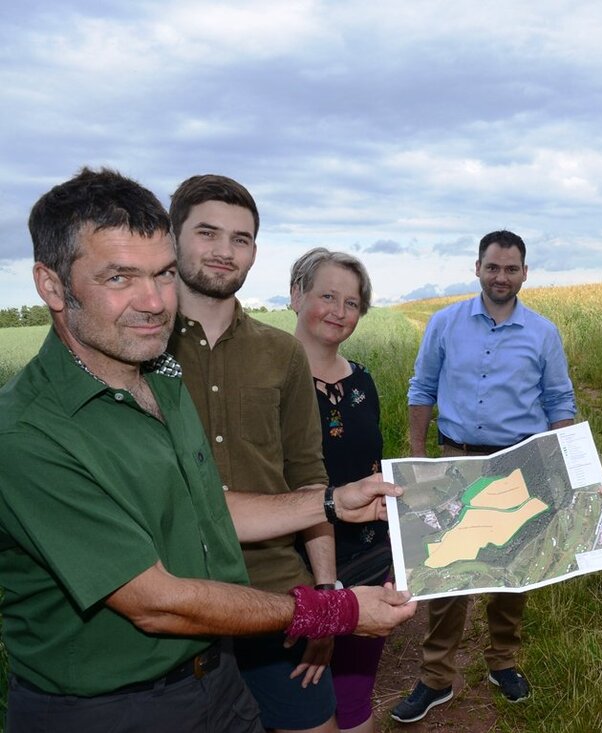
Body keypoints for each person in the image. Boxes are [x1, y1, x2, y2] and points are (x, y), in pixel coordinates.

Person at [0, 167, 416, 733]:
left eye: (163, 274)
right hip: (109, 707)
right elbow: (156, 601)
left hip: (209, 678)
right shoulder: (28, 434)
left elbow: (207, 507)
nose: (153, 301)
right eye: (120, 277)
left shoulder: (158, 381)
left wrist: (331, 503)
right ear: (51, 285)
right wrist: (335, 609)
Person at [167, 174, 340, 733]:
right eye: (207, 233)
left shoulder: (282, 352)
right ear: (173, 239)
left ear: (255, 253)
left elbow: (309, 478)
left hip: (277, 594)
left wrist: (327, 596)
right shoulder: (140, 347)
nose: (224, 251)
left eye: (240, 239)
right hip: (174, 599)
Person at [391, 229, 577, 724]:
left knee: (514, 570)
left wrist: (567, 465)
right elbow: (422, 386)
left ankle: (503, 662)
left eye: (511, 268)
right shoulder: (445, 323)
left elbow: (560, 401)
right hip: (457, 458)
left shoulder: (543, 333)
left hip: (521, 462)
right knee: (449, 572)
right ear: (477, 268)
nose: (501, 276)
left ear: (524, 273)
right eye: (493, 267)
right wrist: (418, 457)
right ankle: (434, 678)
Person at [290, 247, 391, 733]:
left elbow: (375, 466)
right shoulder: (268, 384)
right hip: (293, 572)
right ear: (296, 295)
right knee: (299, 706)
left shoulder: (364, 381)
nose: (339, 311)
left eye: (352, 303)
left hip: (371, 563)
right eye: (327, 296)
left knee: (353, 700)